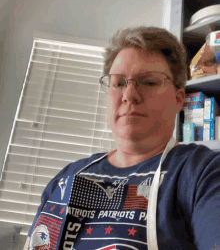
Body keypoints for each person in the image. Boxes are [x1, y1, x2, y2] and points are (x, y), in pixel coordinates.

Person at [24, 26, 220, 250]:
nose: (129, 95)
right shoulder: (65, 178)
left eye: (149, 82)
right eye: (118, 83)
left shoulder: (203, 174)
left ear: (178, 99)